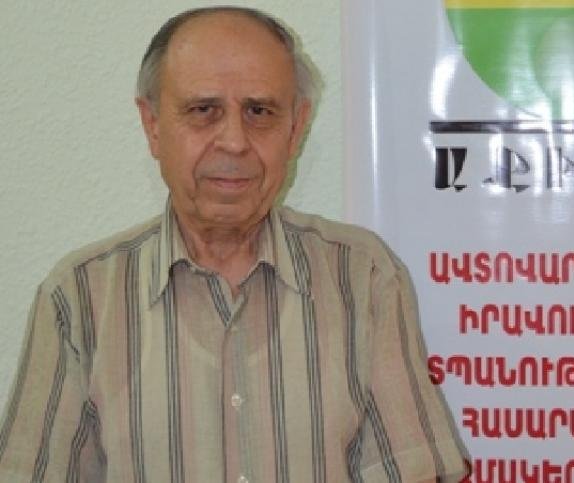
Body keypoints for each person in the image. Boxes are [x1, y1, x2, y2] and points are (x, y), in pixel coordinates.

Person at [0, 6, 469, 482]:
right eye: (203, 111)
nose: (234, 142)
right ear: (152, 124)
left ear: (295, 128)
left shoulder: (364, 278)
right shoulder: (79, 299)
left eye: (259, 112)